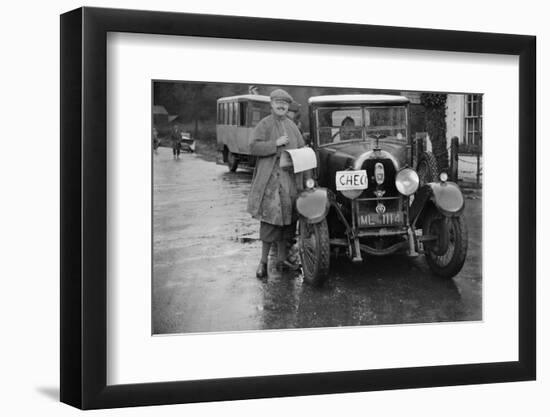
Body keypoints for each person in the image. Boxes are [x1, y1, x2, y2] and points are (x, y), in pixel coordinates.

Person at [247, 89, 308, 279]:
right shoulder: (264, 125)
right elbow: (253, 147)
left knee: (287, 222)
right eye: (278, 102)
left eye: (285, 103)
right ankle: (263, 263)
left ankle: (282, 261)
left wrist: (306, 151)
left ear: (288, 106)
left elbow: (301, 148)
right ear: (271, 104)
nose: (281, 106)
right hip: (270, 182)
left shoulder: (292, 126)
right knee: (270, 223)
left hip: (290, 181)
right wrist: (275, 143)